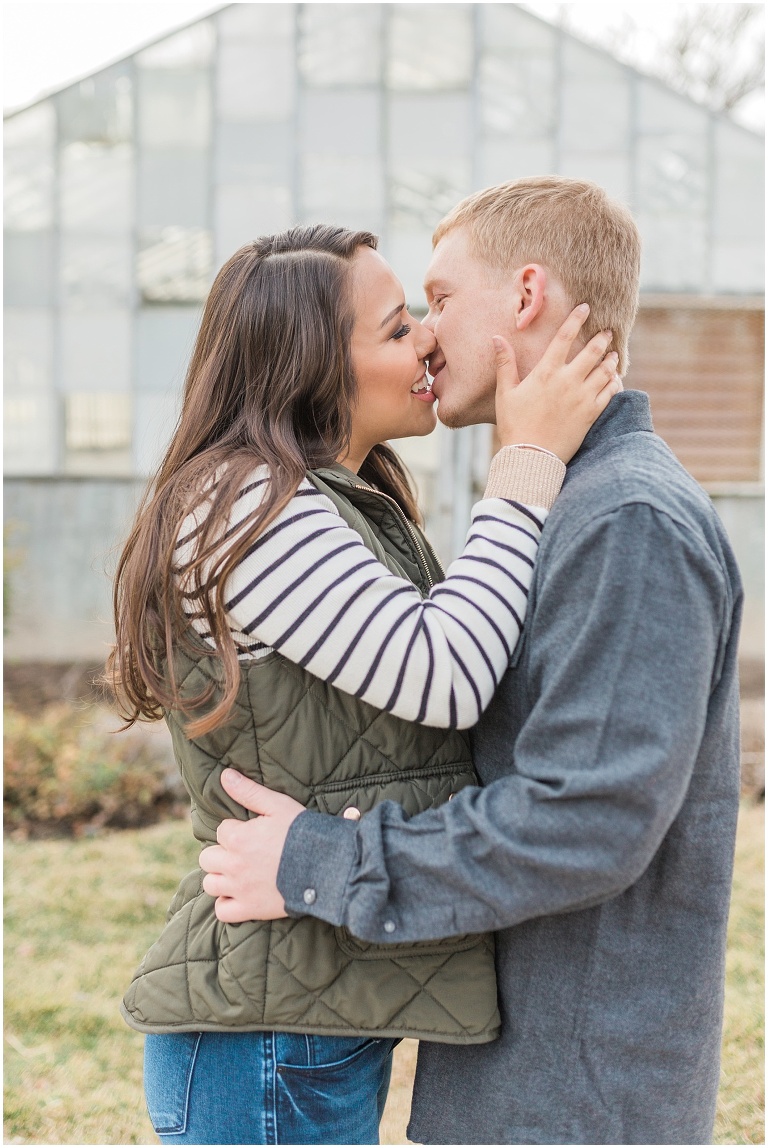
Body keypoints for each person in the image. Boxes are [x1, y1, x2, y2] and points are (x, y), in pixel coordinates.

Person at [201, 177, 743, 1146]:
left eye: (439, 301)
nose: (427, 336)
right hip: (527, 1073)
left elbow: (586, 816)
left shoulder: (626, 521)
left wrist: (327, 857)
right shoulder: (564, 506)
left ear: (526, 296)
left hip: (577, 1095)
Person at [109, 221, 619, 1145]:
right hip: (268, 1033)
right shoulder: (242, 507)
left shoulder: (331, 498)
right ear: (308, 367)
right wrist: (527, 460)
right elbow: (449, 673)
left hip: (308, 1012)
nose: (428, 336)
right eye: (395, 328)